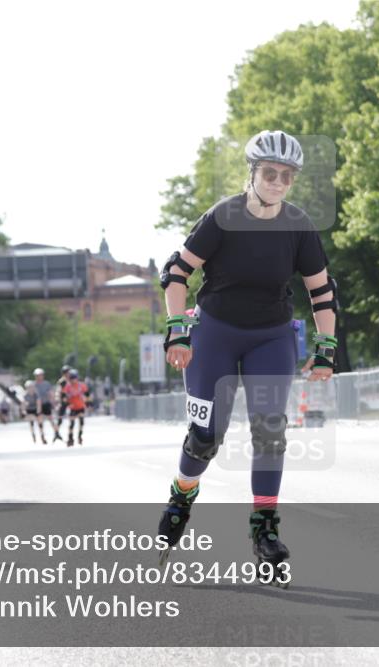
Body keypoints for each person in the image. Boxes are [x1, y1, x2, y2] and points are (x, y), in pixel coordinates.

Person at [155, 130, 338, 583]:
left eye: (286, 176)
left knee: (270, 433)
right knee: (205, 437)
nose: (277, 182)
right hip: (215, 332)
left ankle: (264, 531)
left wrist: (326, 349)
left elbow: (321, 292)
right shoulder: (224, 216)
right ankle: (182, 493)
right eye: (270, 173)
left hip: (271, 336)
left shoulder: (298, 225)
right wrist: (177, 332)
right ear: (253, 173)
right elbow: (176, 272)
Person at [61, 369, 89, 446]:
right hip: (73, 407)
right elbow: (64, 397)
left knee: (81, 422)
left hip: (81, 406)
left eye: (74, 378)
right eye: (71, 378)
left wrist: (87, 402)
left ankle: (80, 436)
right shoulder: (68, 386)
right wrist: (67, 403)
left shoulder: (81, 385)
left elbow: (87, 395)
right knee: (72, 424)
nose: (73, 380)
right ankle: (70, 438)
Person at [32, 368, 59, 444]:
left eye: (40, 375)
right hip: (38, 405)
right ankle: (42, 435)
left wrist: (53, 402)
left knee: (51, 419)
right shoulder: (33, 385)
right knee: (40, 420)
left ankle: (56, 433)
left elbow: (51, 393)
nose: (39, 377)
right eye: (37, 375)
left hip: (46, 404)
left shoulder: (46, 384)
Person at [53, 365, 72, 440]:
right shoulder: (62, 381)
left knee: (72, 416)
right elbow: (58, 390)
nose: (68, 374)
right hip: (63, 400)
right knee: (60, 417)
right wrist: (57, 399)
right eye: (67, 373)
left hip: (70, 400)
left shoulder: (71, 380)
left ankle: (70, 433)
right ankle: (56, 433)